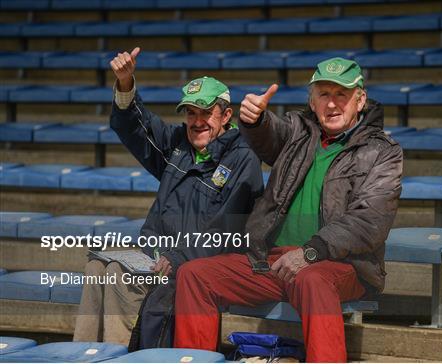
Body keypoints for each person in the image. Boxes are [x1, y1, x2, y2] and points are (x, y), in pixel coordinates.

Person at [173, 57, 403, 362]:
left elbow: (370, 221)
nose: (332, 104)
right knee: (194, 275)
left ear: (359, 100)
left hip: (340, 265)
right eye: (323, 94)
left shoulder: (382, 151)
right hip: (272, 261)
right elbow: (272, 133)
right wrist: (255, 119)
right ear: (312, 100)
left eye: (341, 95)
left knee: (312, 280)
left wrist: (311, 252)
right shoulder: (299, 130)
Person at [73, 47, 264, 346]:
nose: (197, 121)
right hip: (154, 254)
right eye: (191, 112)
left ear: (227, 115)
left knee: (121, 279)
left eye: (206, 112)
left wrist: (177, 257)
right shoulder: (178, 144)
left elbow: (227, 233)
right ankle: (84, 354)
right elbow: (136, 127)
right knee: (98, 268)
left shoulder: (242, 158)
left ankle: (119, 355)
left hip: (193, 264)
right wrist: (125, 83)